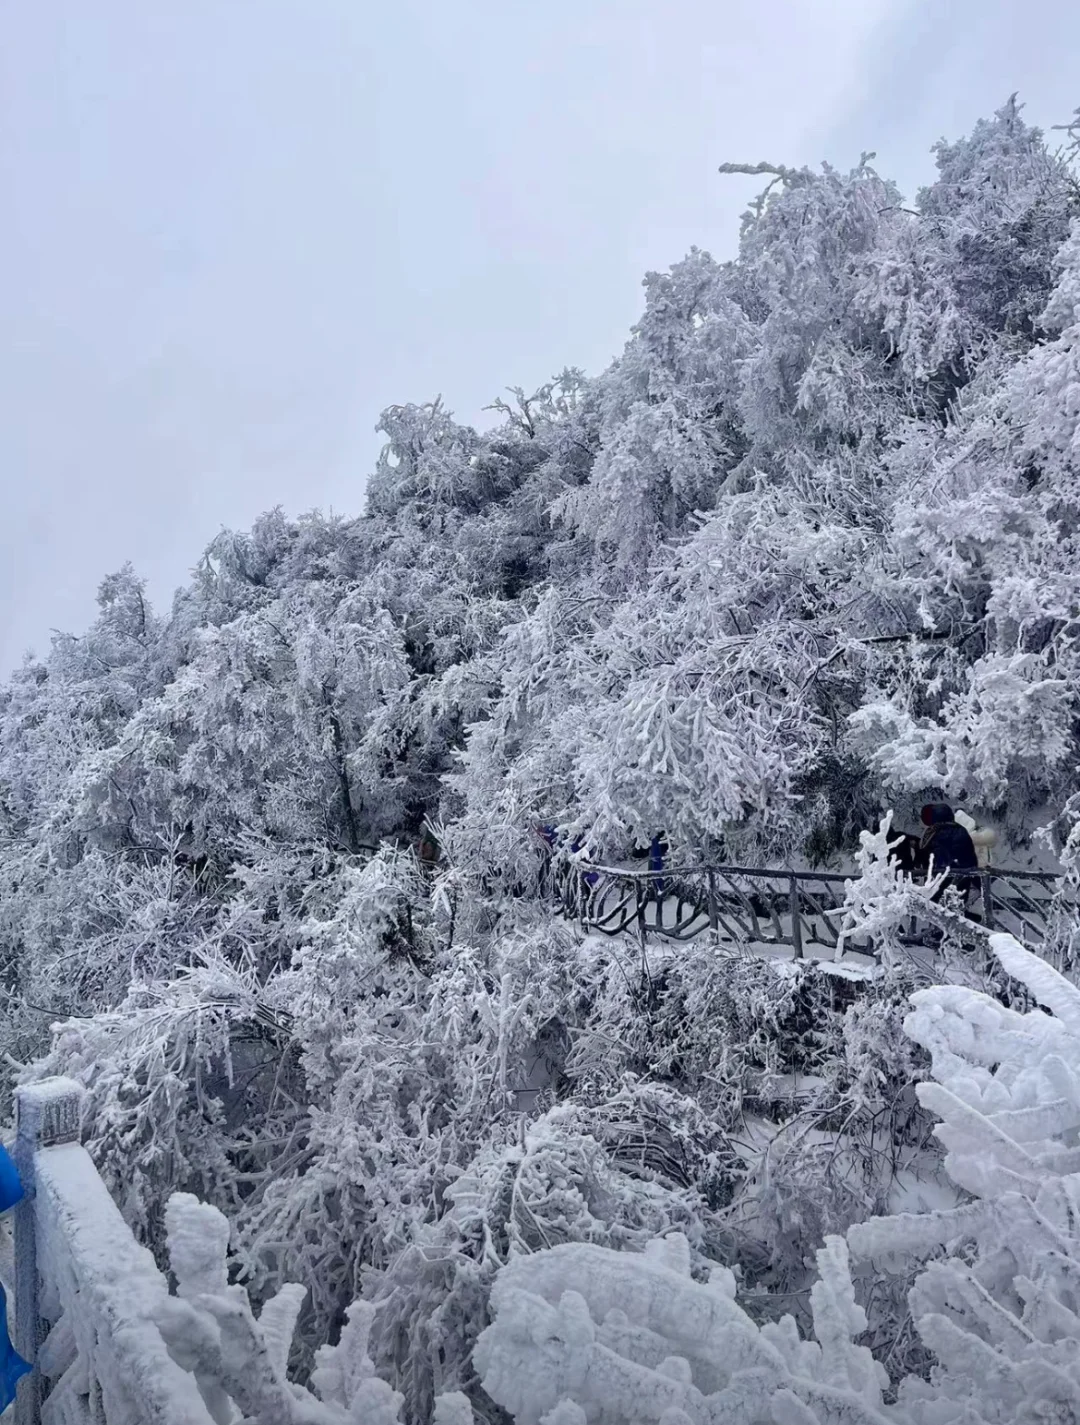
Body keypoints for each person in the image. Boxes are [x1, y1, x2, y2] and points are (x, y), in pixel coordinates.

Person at [920, 804, 979, 902]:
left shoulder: (936, 833)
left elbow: (933, 857)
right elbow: (970, 856)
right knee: (955, 908)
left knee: (936, 909)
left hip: (943, 878)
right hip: (960, 877)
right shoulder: (959, 829)